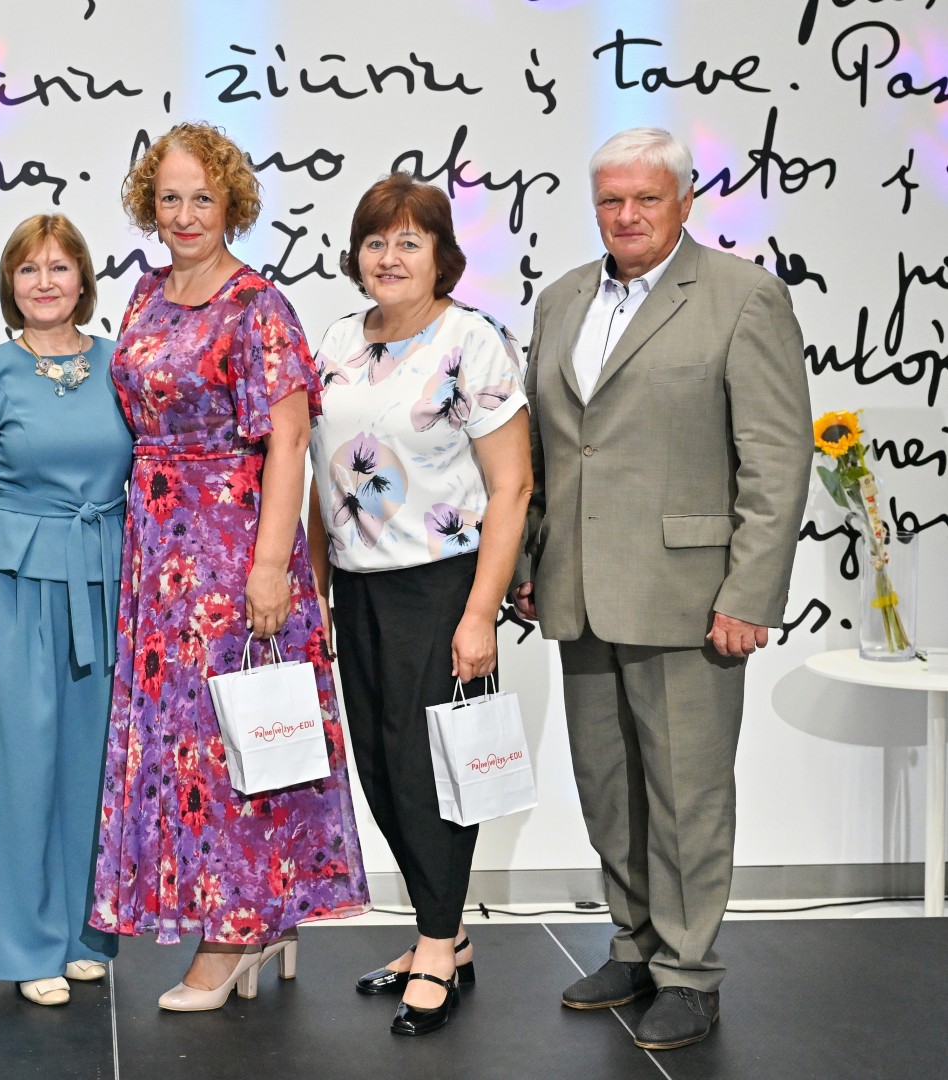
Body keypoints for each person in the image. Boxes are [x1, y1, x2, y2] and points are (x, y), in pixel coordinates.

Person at [510, 127, 810, 1051]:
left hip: (689, 594)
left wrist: (749, 593)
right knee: (608, 789)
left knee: (687, 796)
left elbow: (776, 458)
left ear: (685, 202)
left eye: (647, 198)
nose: (627, 215)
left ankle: (688, 973)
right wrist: (529, 561)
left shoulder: (743, 296)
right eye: (611, 199)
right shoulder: (563, 299)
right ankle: (635, 946)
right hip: (577, 588)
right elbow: (547, 451)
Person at [88, 121, 371, 1012]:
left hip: (231, 549)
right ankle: (256, 921)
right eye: (168, 198)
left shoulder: (259, 307)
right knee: (183, 747)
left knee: (229, 745)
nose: (184, 215)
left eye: (201, 198)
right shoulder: (143, 296)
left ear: (232, 205)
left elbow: (289, 442)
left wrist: (271, 567)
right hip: (156, 554)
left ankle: (236, 932)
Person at [306, 175, 532, 1037]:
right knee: (378, 767)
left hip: (440, 585)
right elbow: (323, 477)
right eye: (376, 241)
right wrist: (317, 588)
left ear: (442, 255)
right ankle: (446, 931)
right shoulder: (337, 339)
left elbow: (511, 488)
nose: (390, 256)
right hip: (358, 585)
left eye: (409, 241)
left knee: (429, 773)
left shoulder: (472, 340)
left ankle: (437, 943)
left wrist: (479, 615)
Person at [0, 214, 130, 1006]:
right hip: (10, 583)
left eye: (60, 267)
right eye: (28, 269)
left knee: (92, 763)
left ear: (84, 279)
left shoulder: (121, 364)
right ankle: (25, 945)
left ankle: (82, 935)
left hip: (104, 577)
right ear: (9, 285)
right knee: (17, 764)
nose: (45, 282)